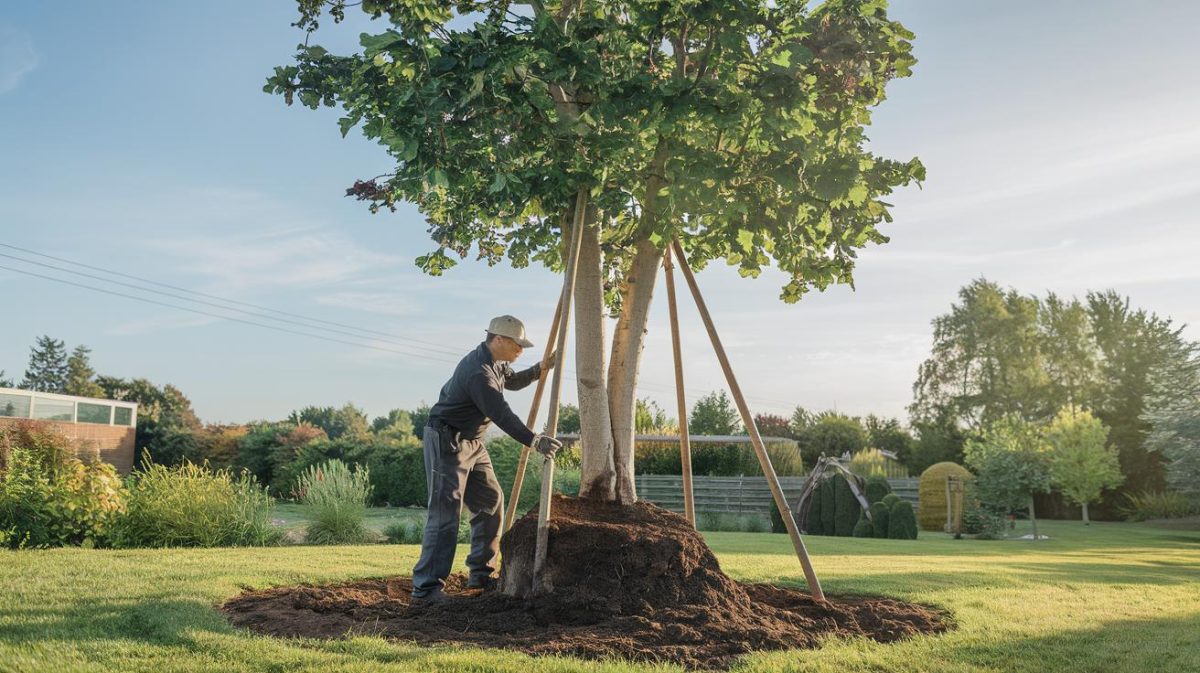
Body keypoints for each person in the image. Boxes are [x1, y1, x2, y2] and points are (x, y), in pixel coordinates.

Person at [411, 315, 563, 602]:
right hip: (447, 440)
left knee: (490, 502)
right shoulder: (478, 373)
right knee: (445, 515)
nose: (521, 349)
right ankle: (426, 589)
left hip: (473, 442)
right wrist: (534, 440)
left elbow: (513, 382)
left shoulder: (498, 363)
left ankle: (480, 575)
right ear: (498, 340)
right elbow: (501, 413)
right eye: (518, 345)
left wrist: (541, 368)